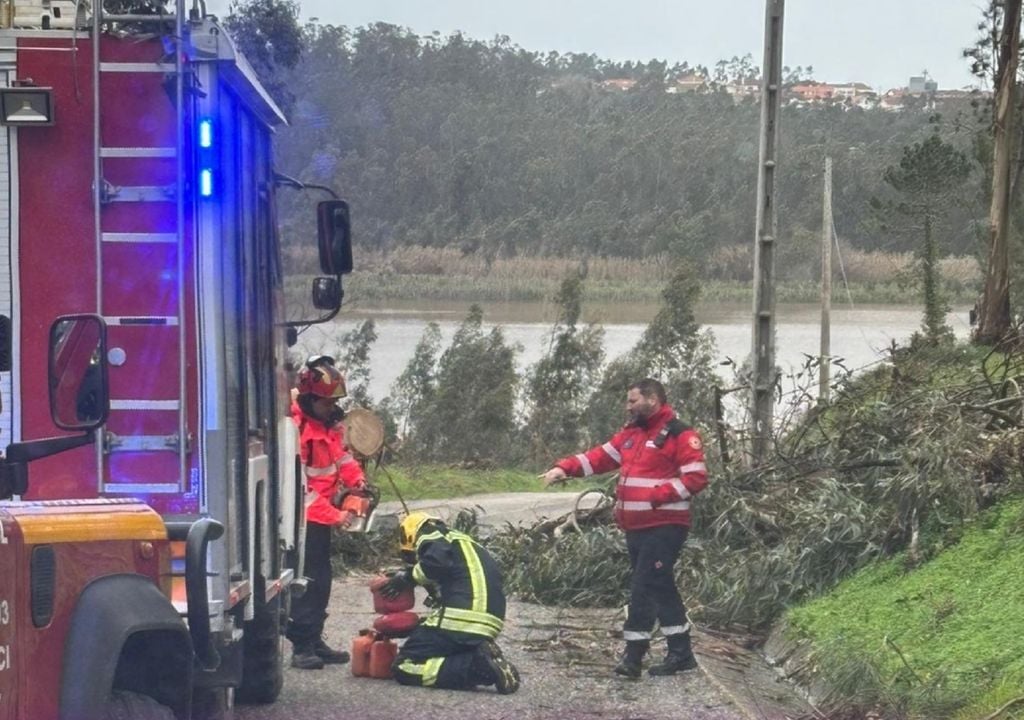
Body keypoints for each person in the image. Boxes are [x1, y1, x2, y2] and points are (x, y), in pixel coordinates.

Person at [540, 378, 709, 679]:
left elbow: (696, 478)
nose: (627, 406)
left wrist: (657, 496)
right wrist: (563, 468)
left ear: (652, 400)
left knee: (643, 586)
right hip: (636, 528)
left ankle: (633, 657)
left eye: (632, 401)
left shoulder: (681, 434)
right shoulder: (630, 435)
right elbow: (598, 458)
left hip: (665, 526)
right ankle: (681, 653)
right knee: (660, 584)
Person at [379, 512, 521, 694]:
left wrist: (407, 577)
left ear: (410, 534)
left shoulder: (429, 533)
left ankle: (478, 667)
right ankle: (480, 657)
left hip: (461, 619)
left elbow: (436, 563)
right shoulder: (465, 543)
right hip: (489, 623)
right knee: (442, 648)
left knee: (404, 666)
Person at [287, 355, 368, 670]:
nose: (331, 407)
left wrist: (358, 483)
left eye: (334, 401)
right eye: (325, 402)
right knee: (308, 581)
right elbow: (299, 491)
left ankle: (314, 639)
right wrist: (337, 515)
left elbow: (342, 460)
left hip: (320, 517)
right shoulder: (297, 432)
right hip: (303, 520)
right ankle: (301, 646)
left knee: (322, 580)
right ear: (309, 398)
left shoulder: (327, 427)